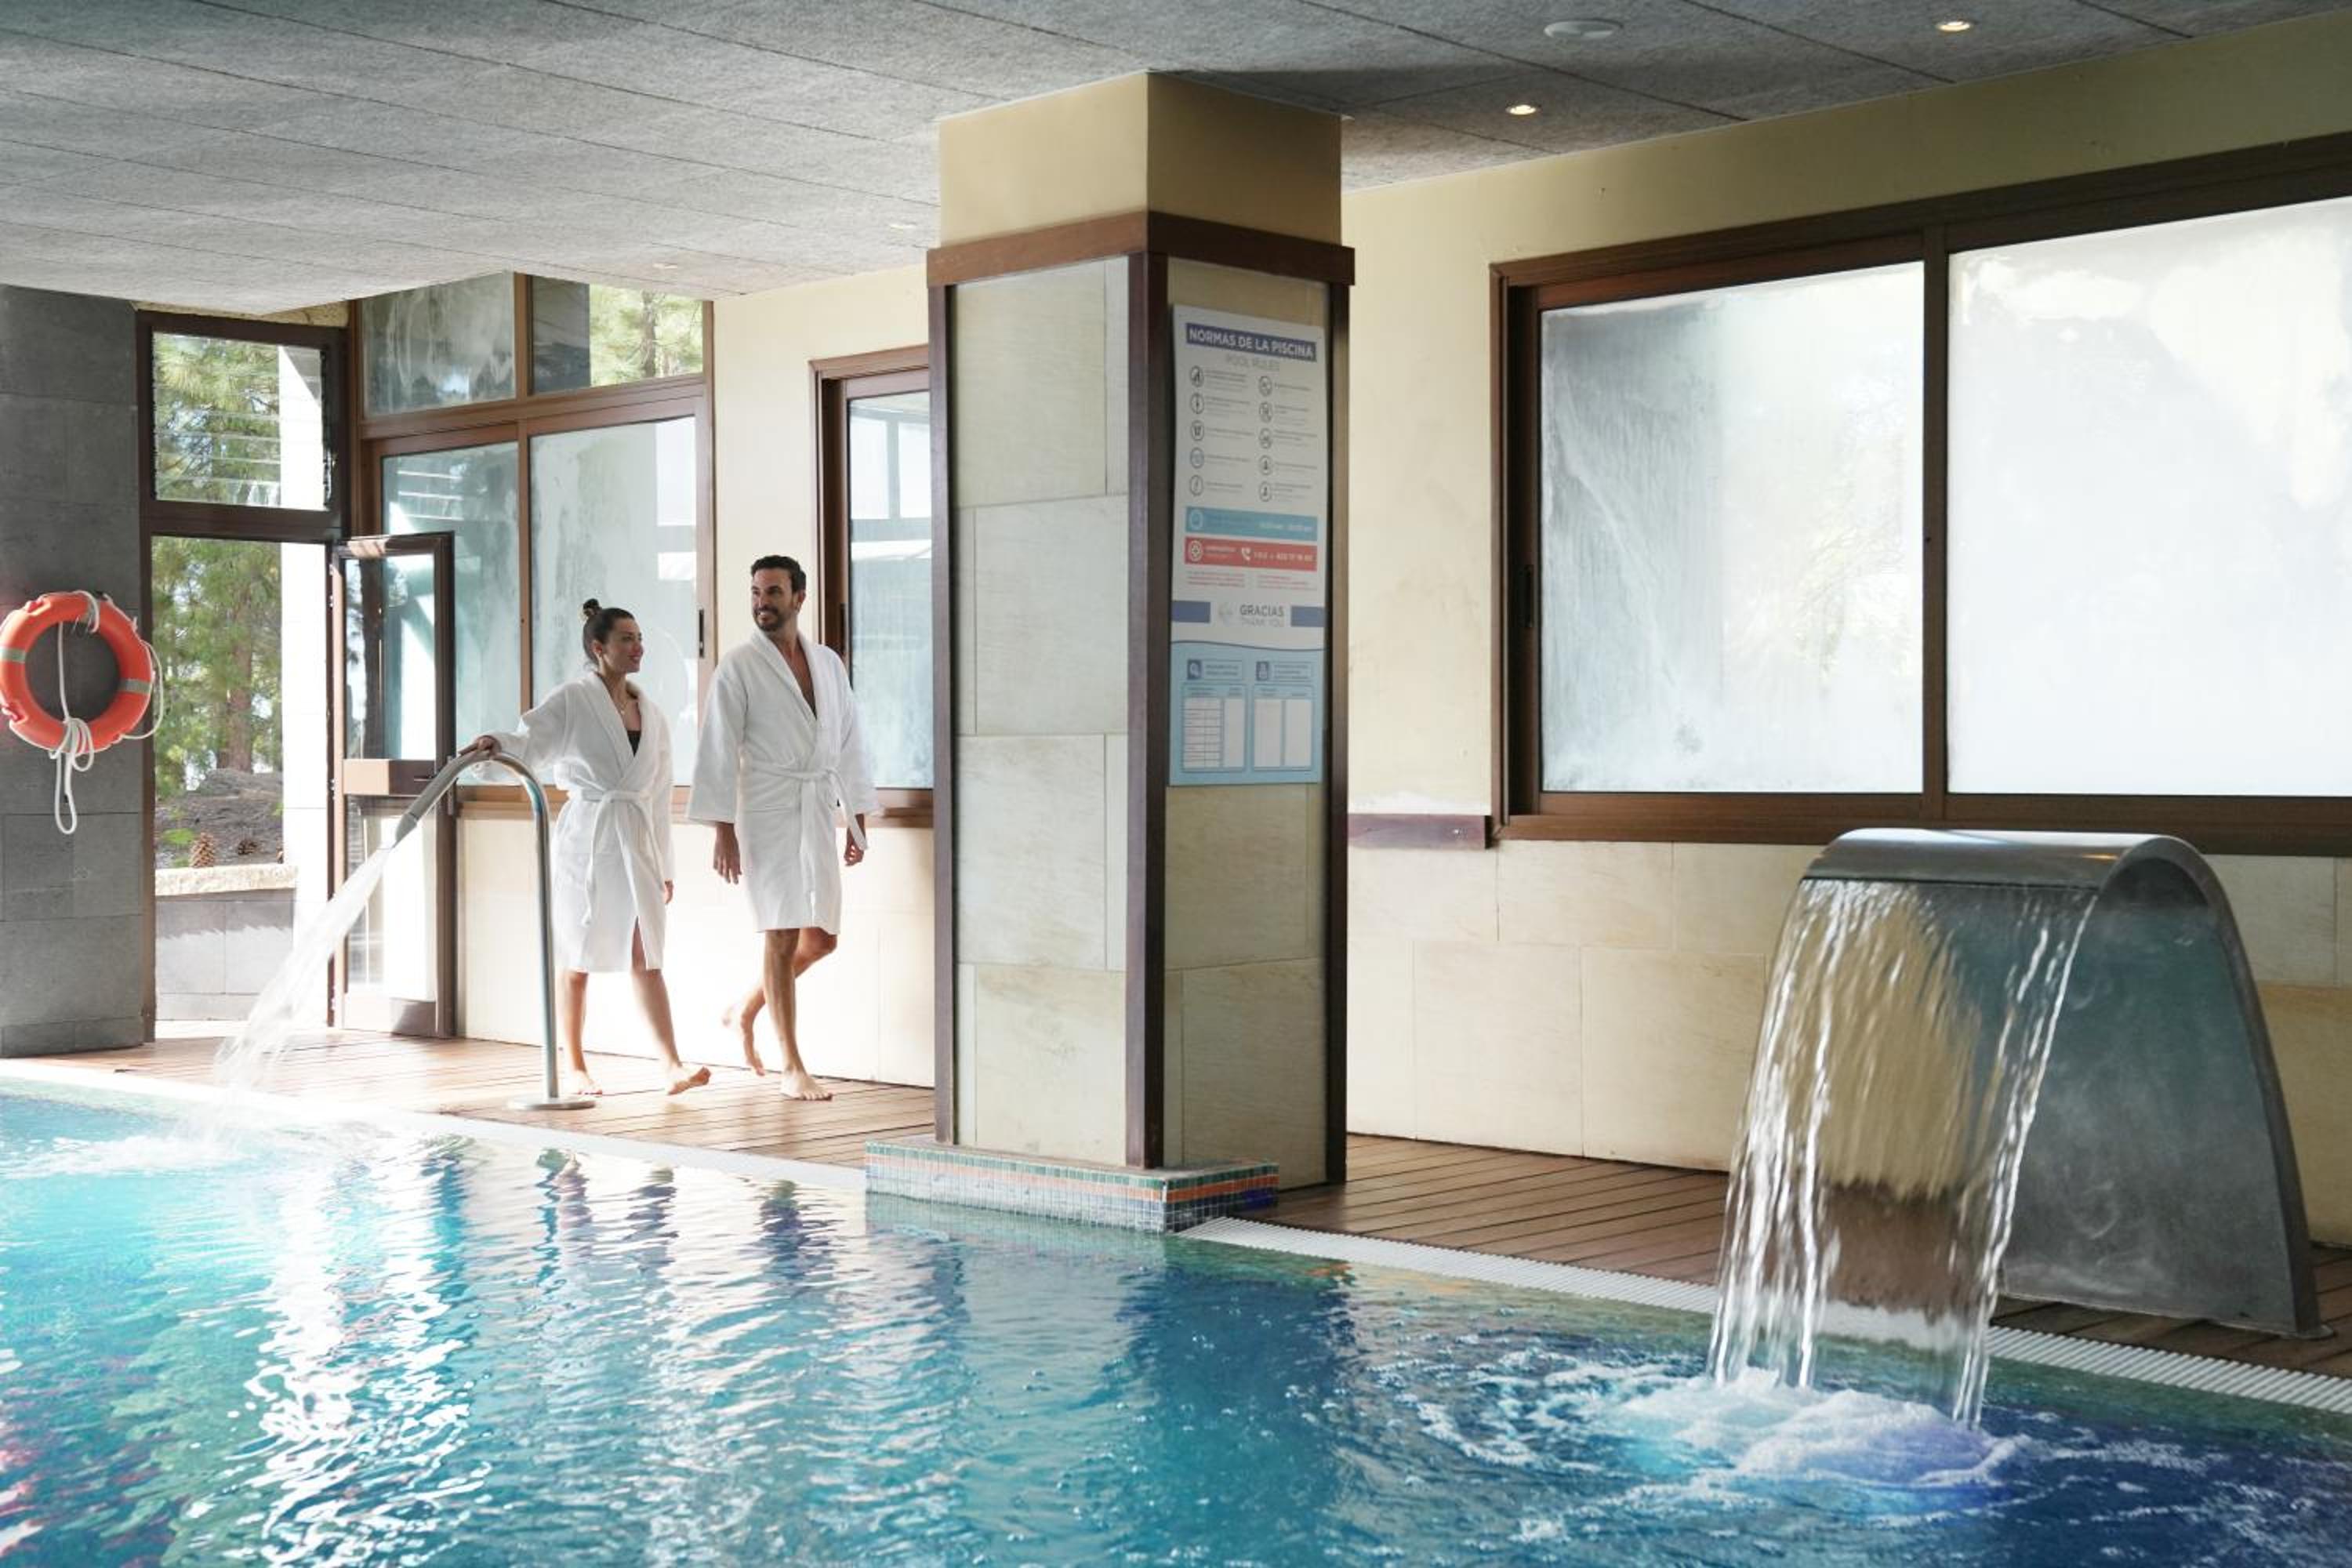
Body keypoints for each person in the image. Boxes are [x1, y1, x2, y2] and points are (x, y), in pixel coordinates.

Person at [471, 601, 710, 1098]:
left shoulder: (652, 715)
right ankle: (575, 1066)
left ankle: (671, 1064)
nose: (637, 647)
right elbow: (529, 742)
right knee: (577, 954)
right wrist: (494, 745)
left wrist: (664, 865)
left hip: (637, 839)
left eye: (639, 638)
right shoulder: (573, 701)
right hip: (589, 839)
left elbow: (659, 795)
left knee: (646, 951)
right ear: (598, 648)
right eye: (626, 638)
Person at [689, 555, 876, 1102]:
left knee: (822, 939)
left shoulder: (827, 664)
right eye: (755, 592)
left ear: (799, 598)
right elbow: (718, 746)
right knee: (781, 929)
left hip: (814, 805)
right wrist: (722, 828)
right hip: (766, 807)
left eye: (773, 592)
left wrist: (856, 818)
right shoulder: (739, 666)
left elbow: (850, 741)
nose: (761, 603)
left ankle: (744, 1011)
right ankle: (792, 1065)